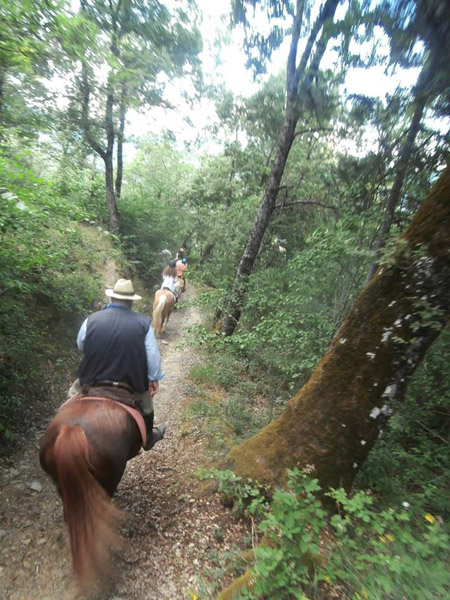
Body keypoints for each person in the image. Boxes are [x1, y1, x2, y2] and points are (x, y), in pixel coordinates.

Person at [69, 278, 166, 451]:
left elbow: (81, 345)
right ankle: (149, 438)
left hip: (92, 379)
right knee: (147, 406)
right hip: (130, 380)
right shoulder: (144, 324)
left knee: (71, 396)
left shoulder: (91, 320)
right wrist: (153, 379)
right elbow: (152, 357)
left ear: (112, 299)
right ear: (131, 301)